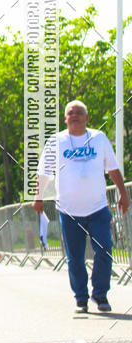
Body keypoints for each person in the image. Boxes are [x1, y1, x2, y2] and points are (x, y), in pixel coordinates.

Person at [33, 100, 130, 313]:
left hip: (97, 208)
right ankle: (81, 297)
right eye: (70, 113)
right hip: (68, 210)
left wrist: (123, 194)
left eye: (79, 113)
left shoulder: (99, 138)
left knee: (104, 249)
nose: (75, 115)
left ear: (87, 118)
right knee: (75, 257)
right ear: (65, 118)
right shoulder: (56, 141)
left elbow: (112, 169)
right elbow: (44, 172)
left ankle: (100, 294)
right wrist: (38, 197)